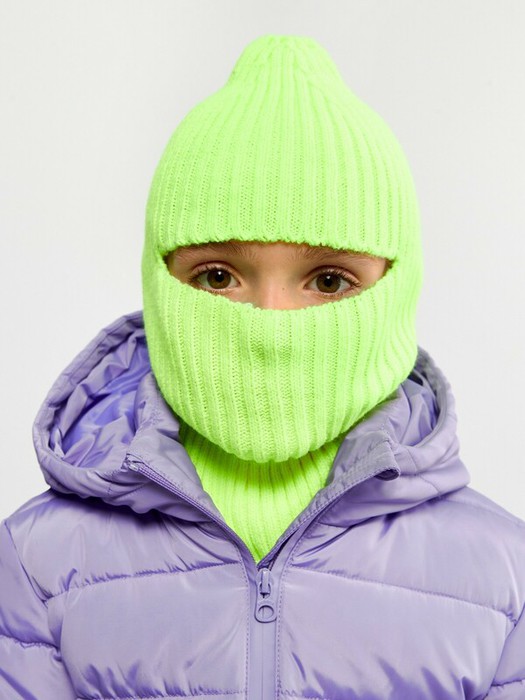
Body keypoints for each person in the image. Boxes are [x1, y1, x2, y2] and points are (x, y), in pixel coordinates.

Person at [0, 33, 523, 699]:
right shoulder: (36, 561)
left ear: (398, 287)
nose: (270, 320)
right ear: (158, 282)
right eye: (218, 276)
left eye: (328, 281)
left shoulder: (504, 580)